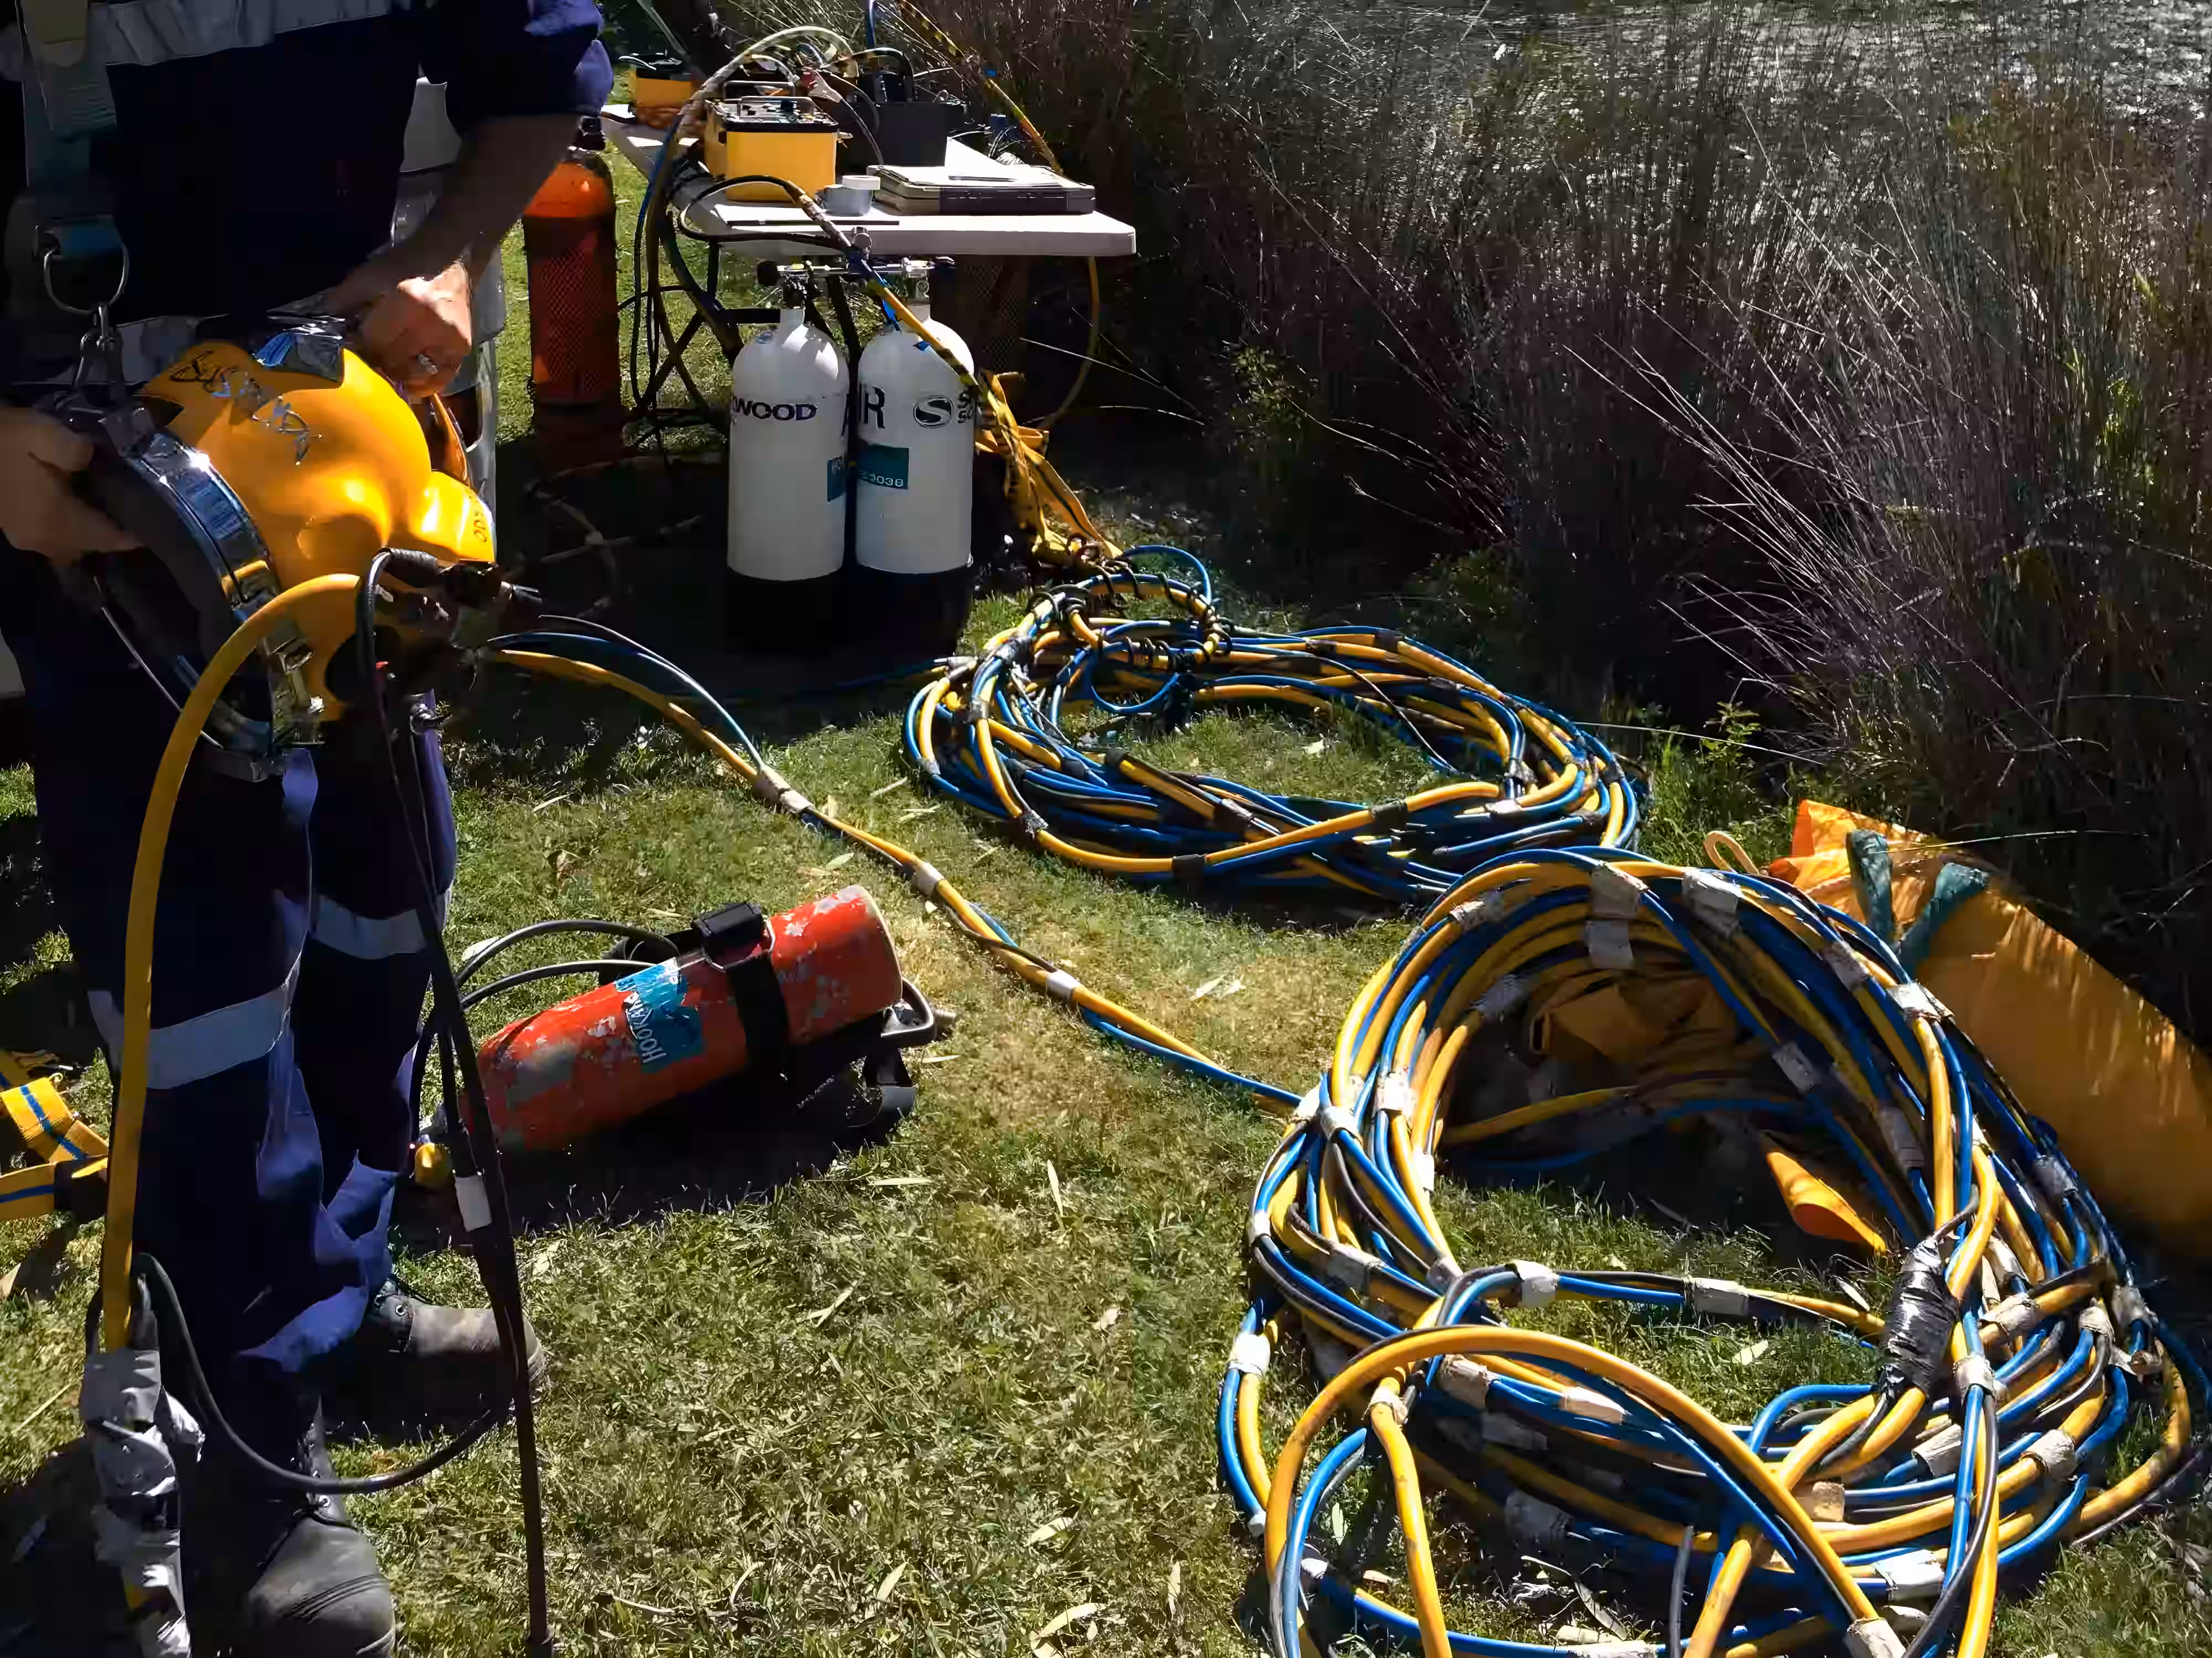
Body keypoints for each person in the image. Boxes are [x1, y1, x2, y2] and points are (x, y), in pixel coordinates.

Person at [0, 6, 612, 1655]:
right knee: (195, 970)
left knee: (381, 887)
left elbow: (534, 62)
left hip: (354, 449)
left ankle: (332, 1290)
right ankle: (248, 1445)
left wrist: (447, 256)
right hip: (106, 485)